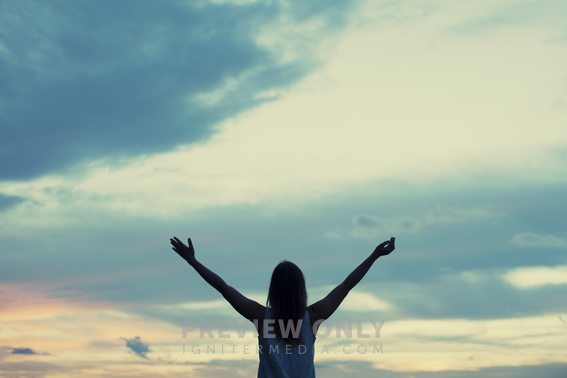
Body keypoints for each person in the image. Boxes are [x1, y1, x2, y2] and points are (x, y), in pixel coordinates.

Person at [170, 236, 395, 377]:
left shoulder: (260, 317)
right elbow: (346, 285)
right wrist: (374, 255)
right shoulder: (313, 317)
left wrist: (192, 261)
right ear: (301, 289)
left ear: (273, 290)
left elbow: (222, 286)